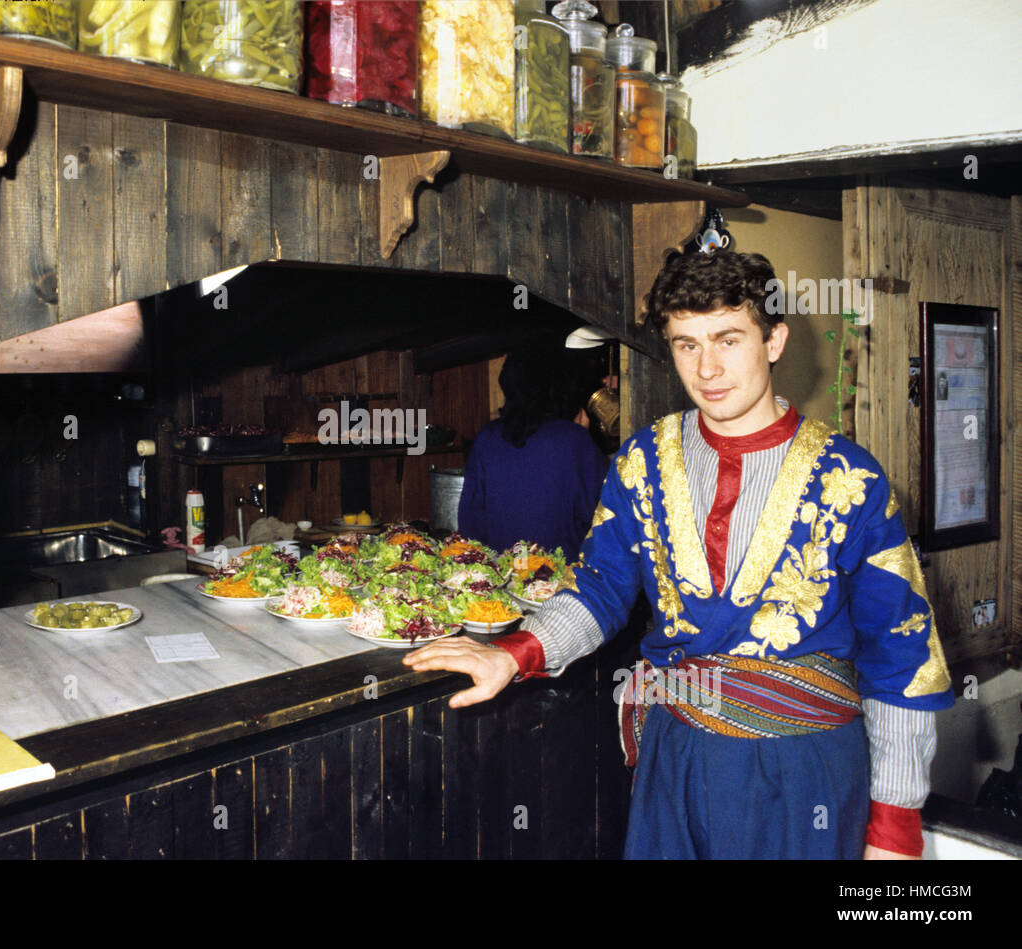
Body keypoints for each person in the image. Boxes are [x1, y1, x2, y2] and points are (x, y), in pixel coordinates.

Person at [405, 250, 954, 860]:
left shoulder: (850, 477)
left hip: (804, 768)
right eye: (686, 344)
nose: (708, 368)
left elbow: (901, 650)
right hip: (675, 755)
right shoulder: (642, 460)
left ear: (774, 340)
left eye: (727, 338)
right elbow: (601, 588)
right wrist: (514, 653)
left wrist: (896, 827)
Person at [457, 344, 608, 557]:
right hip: (559, 580)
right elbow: (602, 520)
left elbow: (470, 522)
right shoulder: (573, 439)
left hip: (500, 578)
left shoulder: (487, 436)